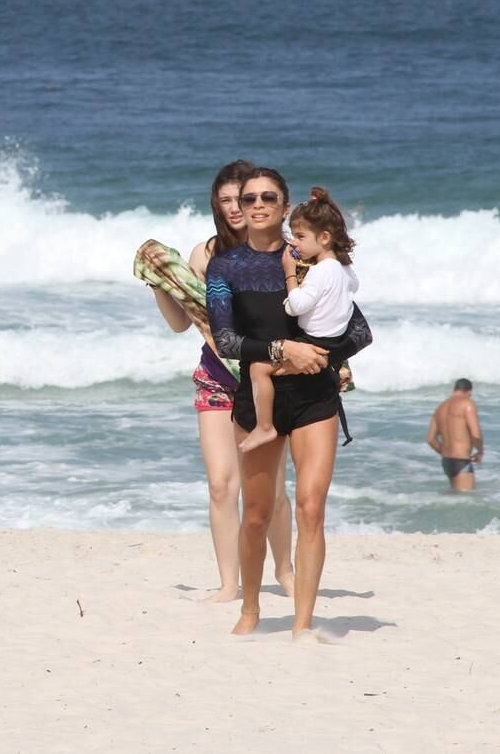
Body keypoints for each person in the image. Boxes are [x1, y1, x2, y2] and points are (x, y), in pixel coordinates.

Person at [206, 166, 372, 638]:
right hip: (258, 399)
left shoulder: (314, 261)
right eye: (249, 197)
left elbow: (358, 331)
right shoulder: (226, 267)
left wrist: (322, 357)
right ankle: (252, 609)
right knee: (257, 515)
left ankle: (303, 624)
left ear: (284, 205)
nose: (257, 205)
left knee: (311, 508)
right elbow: (226, 340)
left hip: (313, 397)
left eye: (269, 197)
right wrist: (283, 350)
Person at [150, 160, 294, 602]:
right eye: (228, 199)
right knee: (221, 484)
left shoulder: (282, 254)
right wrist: (160, 282)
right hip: (216, 379)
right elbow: (182, 322)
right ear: (216, 203)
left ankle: (285, 571)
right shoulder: (206, 254)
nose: (236, 207)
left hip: (267, 380)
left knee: (268, 487)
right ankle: (229, 583)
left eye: (244, 198)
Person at [240, 187, 359, 453]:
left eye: (300, 236)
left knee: (258, 369)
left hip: (311, 341)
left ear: (325, 237)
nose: (294, 242)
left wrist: (290, 274)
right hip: (334, 342)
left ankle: (265, 426)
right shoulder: (343, 268)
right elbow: (354, 287)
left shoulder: (319, 272)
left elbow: (296, 306)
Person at [428, 379, 483, 492]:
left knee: (454, 499)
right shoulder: (467, 403)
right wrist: (480, 452)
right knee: (466, 503)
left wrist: (444, 452)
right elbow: (475, 434)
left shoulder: (440, 408)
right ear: (469, 392)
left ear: (454, 390)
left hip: (446, 461)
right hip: (461, 461)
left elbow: (430, 439)